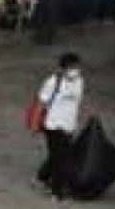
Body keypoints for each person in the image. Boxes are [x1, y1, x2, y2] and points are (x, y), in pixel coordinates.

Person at [33, 53, 84, 198]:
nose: (74, 70)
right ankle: (57, 189)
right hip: (53, 124)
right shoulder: (52, 82)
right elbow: (41, 103)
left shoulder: (79, 81)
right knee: (61, 158)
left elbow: (78, 102)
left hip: (69, 124)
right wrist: (35, 124)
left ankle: (43, 176)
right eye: (71, 67)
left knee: (59, 154)